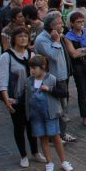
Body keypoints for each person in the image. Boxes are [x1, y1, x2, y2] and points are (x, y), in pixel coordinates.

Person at [0, 27, 46, 167]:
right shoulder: (6, 56)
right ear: (14, 39)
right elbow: (2, 79)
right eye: (20, 36)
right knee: (19, 126)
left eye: (25, 36)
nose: (23, 38)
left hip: (31, 97)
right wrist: (6, 99)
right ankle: (23, 155)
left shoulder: (31, 55)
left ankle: (35, 152)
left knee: (32, 125)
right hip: (16, 98)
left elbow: (39, 76)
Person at [25, 56, 73, 171]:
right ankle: (49, 162)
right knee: (43, 138)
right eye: (30, 68)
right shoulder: (29, 81)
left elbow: (64, 93)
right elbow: (26, 97)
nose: (32, 71)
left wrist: (50, 89)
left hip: (50, 113)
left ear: (43, 67)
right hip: (36, 115)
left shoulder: (51, 79)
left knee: (55, 137)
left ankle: (64, 161)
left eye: (34, 68)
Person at [34, 13, 75, 143]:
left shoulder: (57, 36)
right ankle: (54, 137)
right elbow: (53, 56)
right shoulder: (42, 40)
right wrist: (56, 42)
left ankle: (61, 133)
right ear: (51, 26)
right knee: (55, 108)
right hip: (52, 78)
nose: (62, 25)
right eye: (59, 23)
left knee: (64, 106)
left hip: (62, 76)